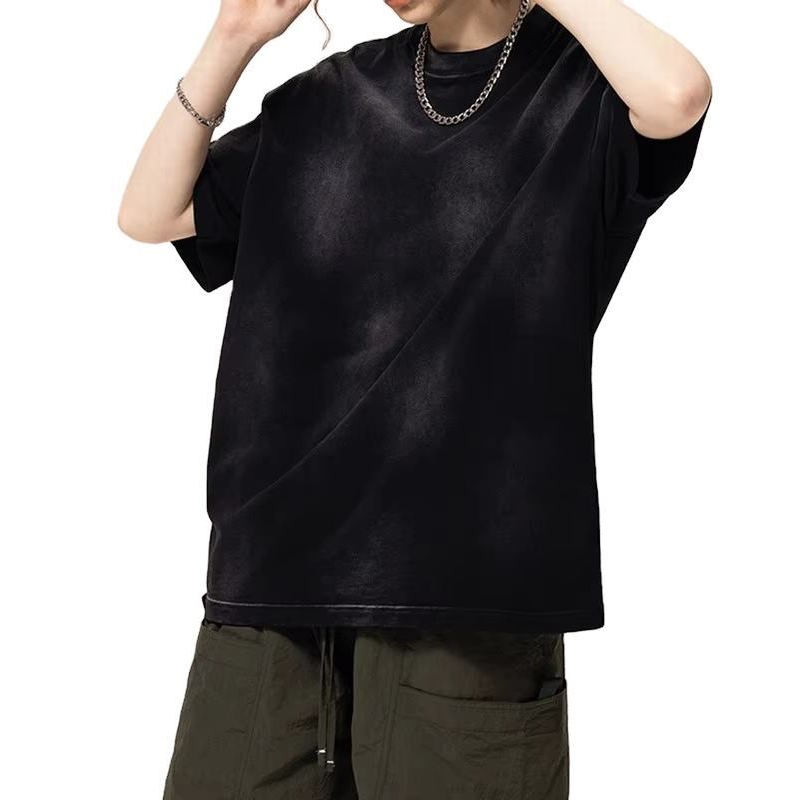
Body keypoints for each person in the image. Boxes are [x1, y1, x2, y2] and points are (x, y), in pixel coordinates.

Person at [118, 0, 712, 797]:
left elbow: (679, 94)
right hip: (270, 587)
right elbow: (152, 213)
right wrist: (233, 38)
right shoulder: (329, 96)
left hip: (463, 599)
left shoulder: (583, 89)